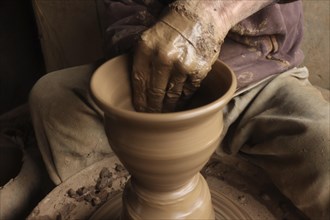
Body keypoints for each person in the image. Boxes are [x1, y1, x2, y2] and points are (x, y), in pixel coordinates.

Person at [29, 0, 329, 219]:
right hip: (147, 82)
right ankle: (136, 184)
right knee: (53, 99)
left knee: (323, 150)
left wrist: (213, 11)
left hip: (259, 79)